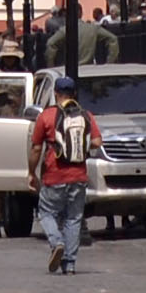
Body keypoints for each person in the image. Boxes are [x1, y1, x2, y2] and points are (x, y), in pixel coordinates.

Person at [32, 81, 93, 271]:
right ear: (74, 93)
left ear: (55, 93)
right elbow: (97, 141)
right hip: (79, 175)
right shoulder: (85, 115)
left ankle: (57, 241)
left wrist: (31, 172)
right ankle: (70, 264)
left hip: (54, 174)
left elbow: (36, 148)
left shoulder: (47, 116)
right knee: (74, 218)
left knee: (46, 212)